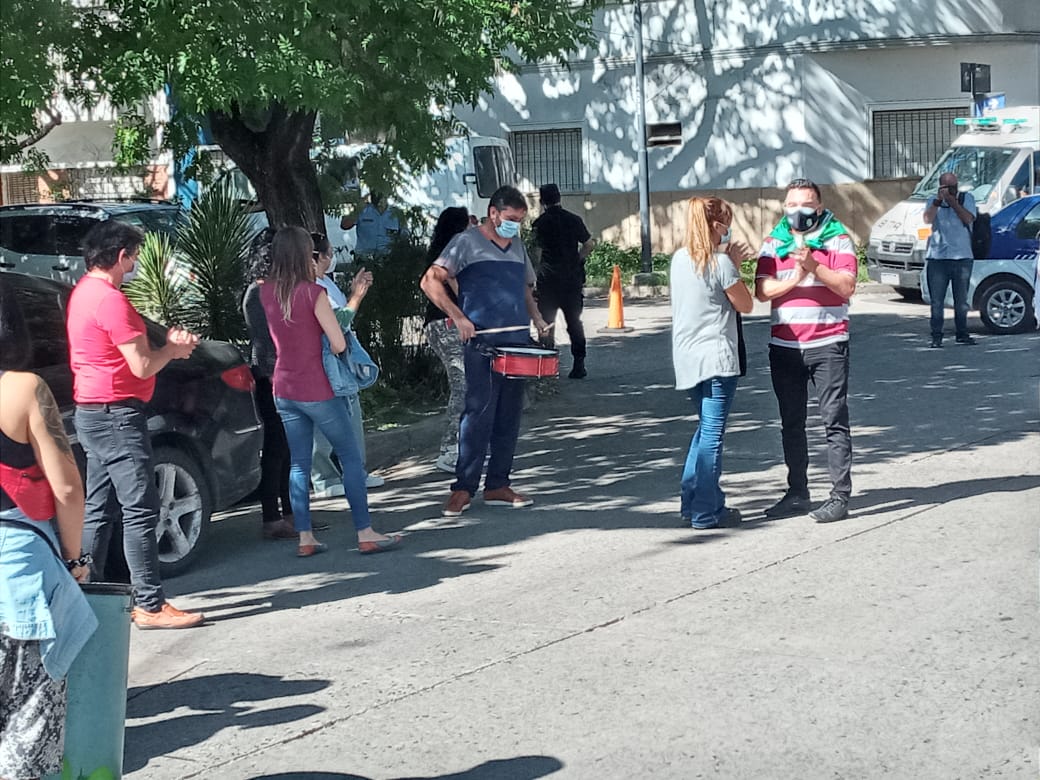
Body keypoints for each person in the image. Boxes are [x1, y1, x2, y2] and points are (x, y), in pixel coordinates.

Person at [66, 220, 205, 629]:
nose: (136, 264)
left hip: (91, 411)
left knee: (99, 508)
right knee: (140, 510)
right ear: (121, 255)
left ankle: (87, 597)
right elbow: (142, 365)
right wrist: (173, 350)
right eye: (135, 256)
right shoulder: (111, 301)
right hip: (116, 414)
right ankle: (149, 603)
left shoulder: (82, 292)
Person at [0, 284, 98, 780]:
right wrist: (75, 558)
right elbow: (68, 488)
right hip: (16, 576)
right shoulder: (23, 389)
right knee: (27, 731)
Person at [260, 226, 400, 557]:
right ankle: (365, 531)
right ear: (303, 254)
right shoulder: (314, 293)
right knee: (350, 456)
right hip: (318, 386)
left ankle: (305, 538)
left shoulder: (266, 291)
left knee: (298, 464)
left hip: (284, 387)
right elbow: (338, 343)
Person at [420, 186, 552, 517]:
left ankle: (497, 484)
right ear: (493, 213)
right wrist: (458, 317)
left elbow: (524, 286)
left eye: (519, 220)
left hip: (517, 341)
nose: (514, 225)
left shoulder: (517, 246)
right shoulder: (465, 242)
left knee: (509, 415)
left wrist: (537, 318)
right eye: (510, 218)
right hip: (483, 343)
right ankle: (463, 488)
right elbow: (430, 280)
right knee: (478, 414)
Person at [755, 178, 857, 524]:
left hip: (827, 344)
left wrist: (814, 267)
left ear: (820, 206)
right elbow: (762, 290)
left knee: (834, 420)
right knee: (791, 423)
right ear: (784, 208)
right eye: (792, 204)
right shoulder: (774, 242)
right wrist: (795, 279)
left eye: (807, 204)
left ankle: (839, 496)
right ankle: (797, 492)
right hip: (785, 346)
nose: (799, 210)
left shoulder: (837, 238)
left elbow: (847, 286)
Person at [670, 197, 754, 529]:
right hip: (717, 358)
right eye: (727, 224)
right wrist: (735, 264)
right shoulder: (721, 265)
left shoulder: (679, 260)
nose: (729, 230)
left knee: (704, 430)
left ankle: (692, 502)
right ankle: (706, 510)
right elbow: (745, 304)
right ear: (717, 226)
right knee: (712, 435)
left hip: (687, 358)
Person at [309, 232, 383, 494]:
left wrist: (354, 293)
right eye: (329, 254)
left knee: (350, 415)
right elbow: (338, 321)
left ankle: (355, 473)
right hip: (325, 359)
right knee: (325, 421)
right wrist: (356, 297)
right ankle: (325, 479)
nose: (332, 258)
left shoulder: (326, 283)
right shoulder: (309, 286)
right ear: (316, 257)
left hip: (340, 358)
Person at [242, 228, 298, 540]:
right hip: (271, 377)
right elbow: (264, 343)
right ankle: (271, 516)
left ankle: (289, 511)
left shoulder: (277, 289)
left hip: (285, 374)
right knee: (276, 448)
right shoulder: (257, 293)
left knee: (288, 448)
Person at [422, 207, 471, 473]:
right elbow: (451, 283)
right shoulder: (452, 252)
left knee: (465, 385)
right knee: (462, 385)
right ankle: (450, 449)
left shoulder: (440, 251)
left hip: (440, 324)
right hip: (447, 324)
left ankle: (461, 445)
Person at [532, 183, 596, 379]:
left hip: (548, 281)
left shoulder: (539, 224)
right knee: (574, 322)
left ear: (542, 201)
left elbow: (536, 254)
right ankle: (579, 364)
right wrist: (577, 259)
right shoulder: (574, 219)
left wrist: (534, 277)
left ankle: (547, 366)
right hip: (571, 280)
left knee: (546, 323)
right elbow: (589, 244)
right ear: (559, 198)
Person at [923, 172, 977, 347]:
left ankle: (962, 334)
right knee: (937, 301)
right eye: (946, 187)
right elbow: (927, 220)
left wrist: (953, 202)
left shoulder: (966, 198)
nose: (950, 190)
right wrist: (938, 201)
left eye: (953, 187)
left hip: (962, 256)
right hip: (937, 258)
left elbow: (969, 218)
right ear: (940, 187)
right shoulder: (933, 200)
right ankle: (936, 336)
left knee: (961, 301)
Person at [341, 192, 404, 259]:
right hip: (364, 258)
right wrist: (358, 210)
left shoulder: (397, 213)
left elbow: (404, 237)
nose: (378, 197)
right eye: (375, 193)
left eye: (381, 194)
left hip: (389, 259)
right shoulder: (363, 210)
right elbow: (344, 226)